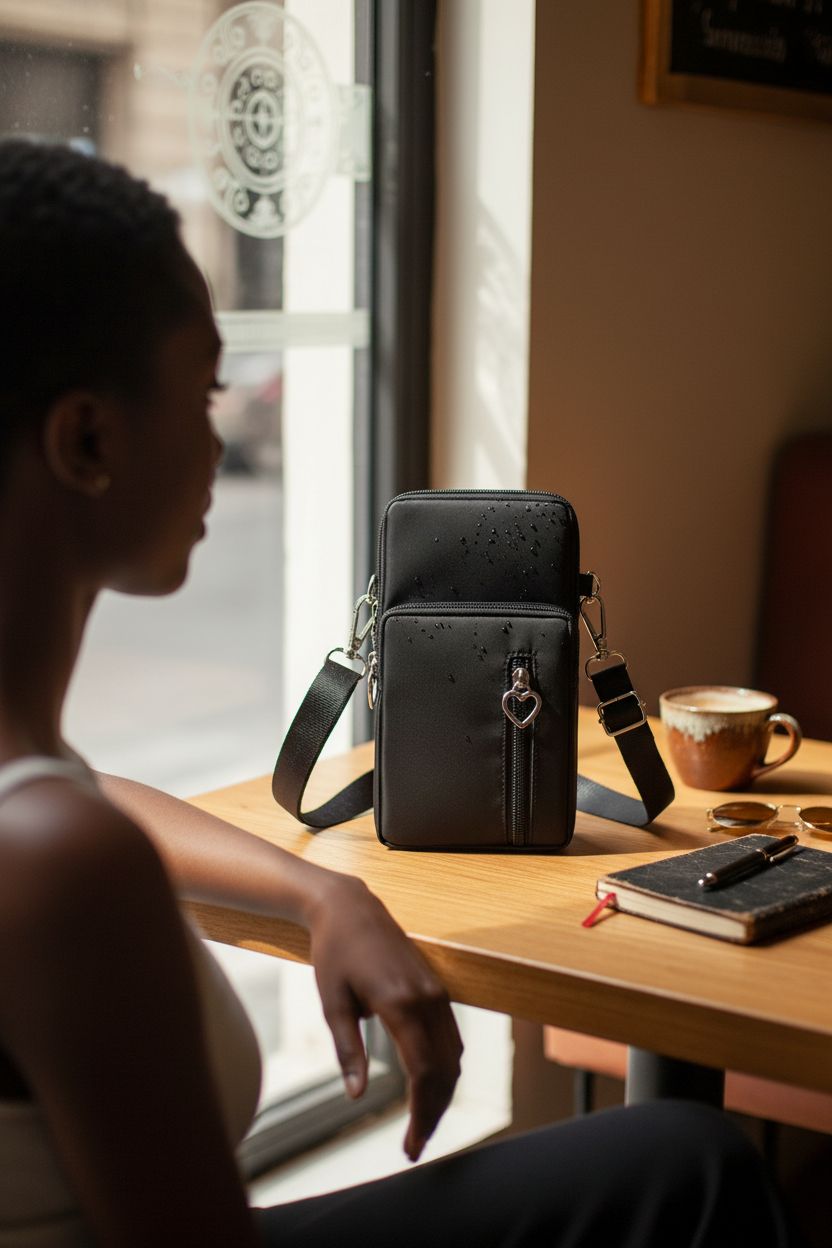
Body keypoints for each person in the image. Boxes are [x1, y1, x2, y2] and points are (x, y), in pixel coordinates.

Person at [0, 138, 798, 1248]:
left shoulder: (40, 806)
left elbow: (93, 795)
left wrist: (328, 895)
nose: (217, 436)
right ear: (87, 437)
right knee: (693, 1169)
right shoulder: (60, 870)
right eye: (203, 392)